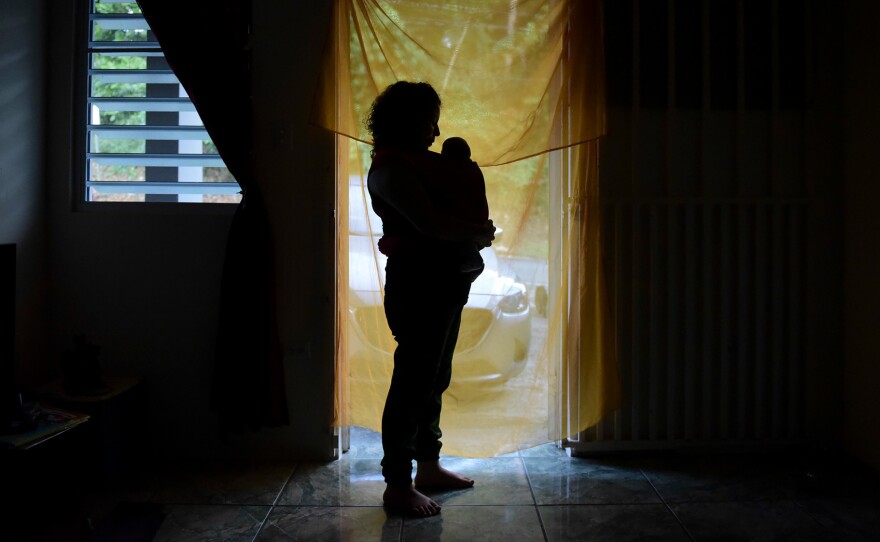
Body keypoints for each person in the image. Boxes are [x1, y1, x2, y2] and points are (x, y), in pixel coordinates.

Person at [366, 81, 496, 517]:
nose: (437, 132)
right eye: (429, 120)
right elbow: (429, 224)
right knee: (413, 381)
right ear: (407, 120)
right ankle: (397, 485)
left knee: (434, 376)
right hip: (417, 283)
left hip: (443, 281)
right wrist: (477, 233)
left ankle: (429, 466)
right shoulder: (388, 169)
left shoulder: (418, 164)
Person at [440, 136, 489, 274]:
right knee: (468, 242)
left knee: (464, 241)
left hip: (464, 217)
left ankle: (474, 261)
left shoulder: (455, 170)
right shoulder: (474, 169)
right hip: (476, 215)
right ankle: (474, 261)